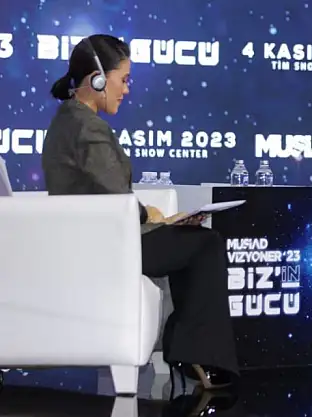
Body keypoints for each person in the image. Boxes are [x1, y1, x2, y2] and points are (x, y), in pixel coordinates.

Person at [41, 34, 239, 389]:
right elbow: (115, 198)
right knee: (206, 244)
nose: (127, 90)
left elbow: (103, 193)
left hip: (96, 236)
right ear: (97, 80)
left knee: (194, 240)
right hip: (106, 244)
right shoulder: (86, 128)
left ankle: (191, 352)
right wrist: (152, 217)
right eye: (124, 79)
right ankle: (197, 356)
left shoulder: (69, 120)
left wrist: (155, 217)